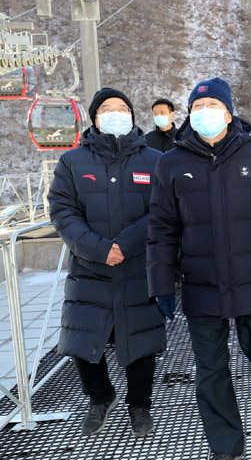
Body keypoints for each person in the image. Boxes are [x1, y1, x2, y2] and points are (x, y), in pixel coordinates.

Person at [147, 77, 251, 460]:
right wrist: (161, 282)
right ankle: (225, 444)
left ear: (229, 113)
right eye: (198, 107)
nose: (205, 112)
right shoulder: (172, 163)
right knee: (210, 370)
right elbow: (161, 229)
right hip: (202, 285)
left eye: (214, 105)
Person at [48, 87, 166, 438]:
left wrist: (124, 245)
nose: (116, 114)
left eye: (122, 108)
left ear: (132, 116)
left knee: (140, 339)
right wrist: (99, 249)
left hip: (137, 265)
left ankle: (139, 404)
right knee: (82, 338)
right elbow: (62, 211)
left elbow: (162, 210)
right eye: (107, 109)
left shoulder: (154, 160)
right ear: (95, 120)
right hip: (89, 267)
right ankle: (100, 396)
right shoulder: (72, 161)